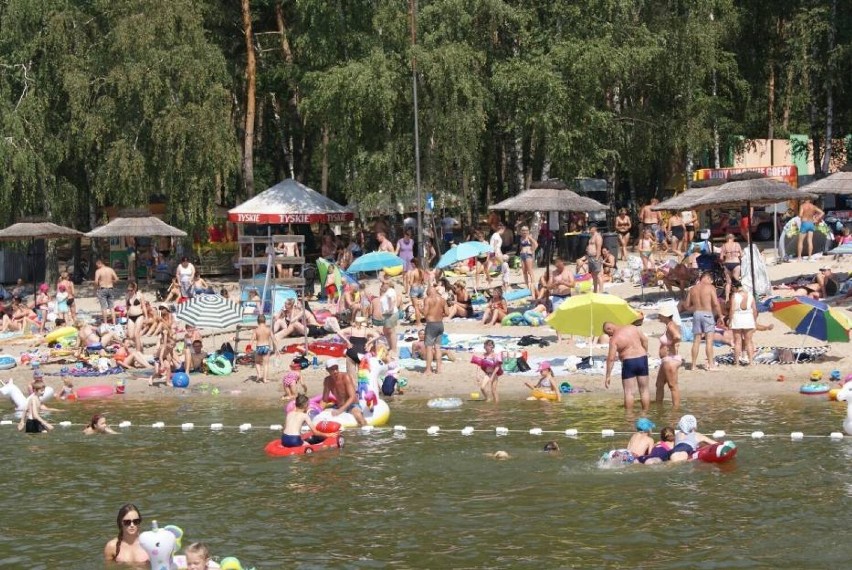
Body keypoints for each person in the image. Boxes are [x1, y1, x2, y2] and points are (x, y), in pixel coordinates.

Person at [603, 321, 650, 413]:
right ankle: (646, 414)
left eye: (608, 334)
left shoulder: (614, 339)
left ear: (609, 329)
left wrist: (608, 375)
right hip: (642, 359)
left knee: (629, 392)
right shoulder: (632, 328)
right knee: (644, 390)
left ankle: (629, 418)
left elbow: (611, 359)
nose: (609, 336)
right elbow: (645, 340)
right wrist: (645, 351)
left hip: (629, 362)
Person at [684, 271, 724, 371]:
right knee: (709, 341)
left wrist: (696, 308)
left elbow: (687, 305)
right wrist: (720, 316)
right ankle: (711, 365)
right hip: (707, 314)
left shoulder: (693, 289)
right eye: (711, 281)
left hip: (697, 314)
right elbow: (715, 303)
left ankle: (693, 365)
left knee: (696, 340)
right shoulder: (710, 288)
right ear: (708, 278)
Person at [322, 359, 367, 426]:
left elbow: (352, 396)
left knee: (358, 415)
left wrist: (340, 410)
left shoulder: (345, 377)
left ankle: (365, 430)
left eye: (336, 368)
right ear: (327, 370)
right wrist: (318, 411)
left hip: (352, 405)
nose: (335, 371)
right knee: (323, 414)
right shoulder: (327, 381)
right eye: (332, 369)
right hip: (338, 405)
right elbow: (324, 400)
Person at [656, 305, 682, 408]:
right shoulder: (670, 324)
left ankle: (676, 410)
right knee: (659, 384)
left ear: (665, 315)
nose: (658, 317)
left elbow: (677, 337)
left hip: (670, 359)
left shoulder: (671, 325)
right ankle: (658, 408)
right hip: (666, 360)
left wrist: (670, 344)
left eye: (660, 315)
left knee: (672, 386)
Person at [422, 285, 450, 375]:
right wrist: (439, 313)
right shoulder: (442, 300)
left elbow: (425, 313)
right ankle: (439, 369)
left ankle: (428, 370)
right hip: (440, 324)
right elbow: (447, 313)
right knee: (438, 348)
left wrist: (419, 309)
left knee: (429, 348)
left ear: (429, 292)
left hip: (431, 324)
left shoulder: (428, 299)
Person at [729, 280, 757, 365]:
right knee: (748, 341)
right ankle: (751, 362)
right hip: (748, 317)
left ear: (735, 287)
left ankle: (737, 362)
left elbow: (732, 309)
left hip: (737, 317)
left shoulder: (735, 296)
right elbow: (755, 310)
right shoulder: (750, 295)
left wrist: (730, 320)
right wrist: (754, 321)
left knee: (737, 341)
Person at [250, 315, 275, 383]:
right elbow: (273, 339)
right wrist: (277, 350)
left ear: (257, 322)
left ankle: (259, 374)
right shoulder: (268, 329)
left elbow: (252, 340)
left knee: (257, 362)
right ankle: (265, 379)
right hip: (266, 347)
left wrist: (249, 347)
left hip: (259, 347)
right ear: (265, 321)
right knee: (266, 364)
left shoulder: (256, 330)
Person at [94, 259, 119, 325]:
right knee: (111, 307)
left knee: (103, 307)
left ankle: (105, 323)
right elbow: (116, 279)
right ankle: (114, 322)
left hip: (102, 289)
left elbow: (96, 281)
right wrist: (111, 282)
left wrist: (96, 288)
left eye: (97, 265)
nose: (97, 267)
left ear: (100, 263)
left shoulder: (98, 271)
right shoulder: (110, 269)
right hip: (110, 288)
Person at [518, 226, 538, 294]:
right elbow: (521, 246)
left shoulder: (529, 237)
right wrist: (521, 251)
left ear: (528, 231)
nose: (524, 231)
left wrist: (532, 250)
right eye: (523, 230)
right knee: (524, 271)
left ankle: (533, 285)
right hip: (522, 254)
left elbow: (535, 244)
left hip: (528, 254)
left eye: (526, 230)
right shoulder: (521, 238)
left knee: (530, 271)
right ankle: (527, 286)